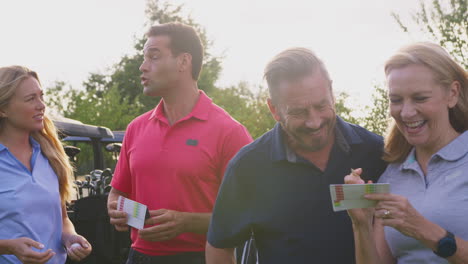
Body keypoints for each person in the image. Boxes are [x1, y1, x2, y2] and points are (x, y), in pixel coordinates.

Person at [206, 47, 387, 263]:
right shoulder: (248, 166)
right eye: (298, 112)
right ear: (274, 110)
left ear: (332, 92)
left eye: (321, 105)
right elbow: (220, 246)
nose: (314, 122)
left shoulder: (374, 151)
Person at [107, 22, 252, 264]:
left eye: (153, 57)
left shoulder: (230, 132)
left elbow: (250, 213)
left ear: (184, 62)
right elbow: (116, 195)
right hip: (138, 257)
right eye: (144, 58)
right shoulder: (136, 128)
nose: (143, 67)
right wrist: (121, 211)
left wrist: (187, 222)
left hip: (202, 257)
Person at [345, 42, 468, 263]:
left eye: (420, 98)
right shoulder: (393, 175)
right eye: (396, 100)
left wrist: (426, 231)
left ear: (452, 93)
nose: (407, 112)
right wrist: (362, 225)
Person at [0, 66, 92, 263]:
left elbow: (63, 220)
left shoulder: (50, 156)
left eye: (41, 96)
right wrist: (7, 247)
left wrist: (70, 238)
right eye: (30, 99)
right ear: (3, 109)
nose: (41, 105)